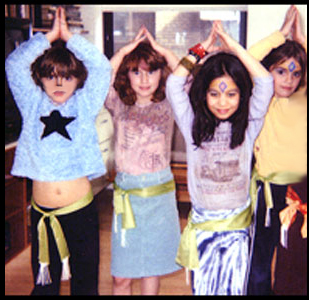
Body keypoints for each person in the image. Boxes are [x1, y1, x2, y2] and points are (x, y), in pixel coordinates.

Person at [5, 7, 111, 295]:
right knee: (44, 286)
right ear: (40, 79)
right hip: (42, 214)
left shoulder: (84, 104)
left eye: (66, 76)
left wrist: (70, 39)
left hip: (80, 213)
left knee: (85, 285)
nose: (59, 83)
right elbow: (14, 65)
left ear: (78, 79)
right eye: (51, 76)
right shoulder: (32, 103)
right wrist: (48, 38)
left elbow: (102, 68)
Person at [166, 21, 274, 295]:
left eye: (231, 94)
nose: (222, 102)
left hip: (237, 229)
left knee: (234, 290)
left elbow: (265, 81)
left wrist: (234, 48)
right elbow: (174, 83)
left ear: (242, 96)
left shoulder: (249, 124)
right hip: (203, 226)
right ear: (203, 95)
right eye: (214, 93)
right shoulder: (193, 127)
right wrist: (200, 50)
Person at [104, 26, 181, 295]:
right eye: (136, 71)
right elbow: (101, 78)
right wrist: (124, 52)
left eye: (152, 70)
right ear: (127, 75)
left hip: (159, 197)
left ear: (162, 73)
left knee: (152, 268)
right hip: (128, 198)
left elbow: (188, 77)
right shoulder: (118, 103)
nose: (144, 79)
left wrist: (164, 51)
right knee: (121, 277)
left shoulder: (169, 103)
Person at [247, 5, 307, 295]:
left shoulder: (301, 100)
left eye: (295, 74)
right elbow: (246, 59)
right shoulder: (262, 99)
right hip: (267, 192)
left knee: (294, 260)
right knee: (260, 258)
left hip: (298, 194)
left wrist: (302, 38)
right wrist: (280, 35)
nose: (288, 79)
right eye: (280, 71)